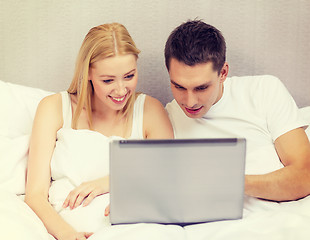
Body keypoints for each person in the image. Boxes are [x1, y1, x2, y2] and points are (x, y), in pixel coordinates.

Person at [25, 23, 174, 240]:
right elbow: (35, 195)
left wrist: (110, 182)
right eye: (108, 80)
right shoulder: (54, 108)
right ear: (88, 74)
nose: (121, 90)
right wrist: (67, 234)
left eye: (129, 76)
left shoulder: (150, 111)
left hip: (136, 229)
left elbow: (168, 177)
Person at [165, 20, 310, 202]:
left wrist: (232, 182)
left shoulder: (264, 90)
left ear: (223, 73)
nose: (190, 102)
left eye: (201, 88)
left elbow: (305, 176)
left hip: (269, 218)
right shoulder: (164, 120)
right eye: (178, 86)